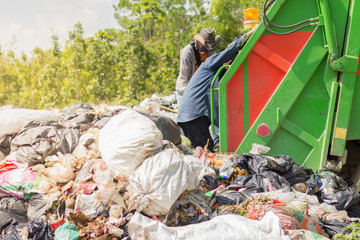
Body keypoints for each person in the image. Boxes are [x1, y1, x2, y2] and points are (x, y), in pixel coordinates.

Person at [177, 25, 258, 151]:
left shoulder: (213, 73)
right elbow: (229, 51)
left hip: (193, 117)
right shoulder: (209, 63)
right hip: (193, 116)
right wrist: (249, 34)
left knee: (200, 153)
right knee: (205, 154)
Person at [175, 28, 221, 106]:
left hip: (200, 89)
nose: (208, 49)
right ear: (199, 42)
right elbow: (184, 78)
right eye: (205, 47)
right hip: (185, 90)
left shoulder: (209, 51)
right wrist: (193, 95)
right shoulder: (188, 52)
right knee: (186, 116)